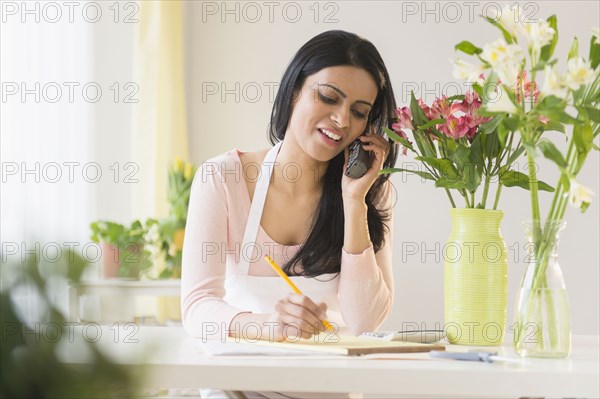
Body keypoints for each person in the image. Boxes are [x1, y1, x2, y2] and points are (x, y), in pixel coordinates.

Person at [181, 30, 399, 399]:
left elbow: (365, 321)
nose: (342, 120)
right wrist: (270, 325)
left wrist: (354, 200)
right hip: (239, 386)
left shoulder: (372, 192)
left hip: (329, 389)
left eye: (359, 112)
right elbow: (197, 307)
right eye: (329, 97)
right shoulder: (223, 178)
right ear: (294, 91)